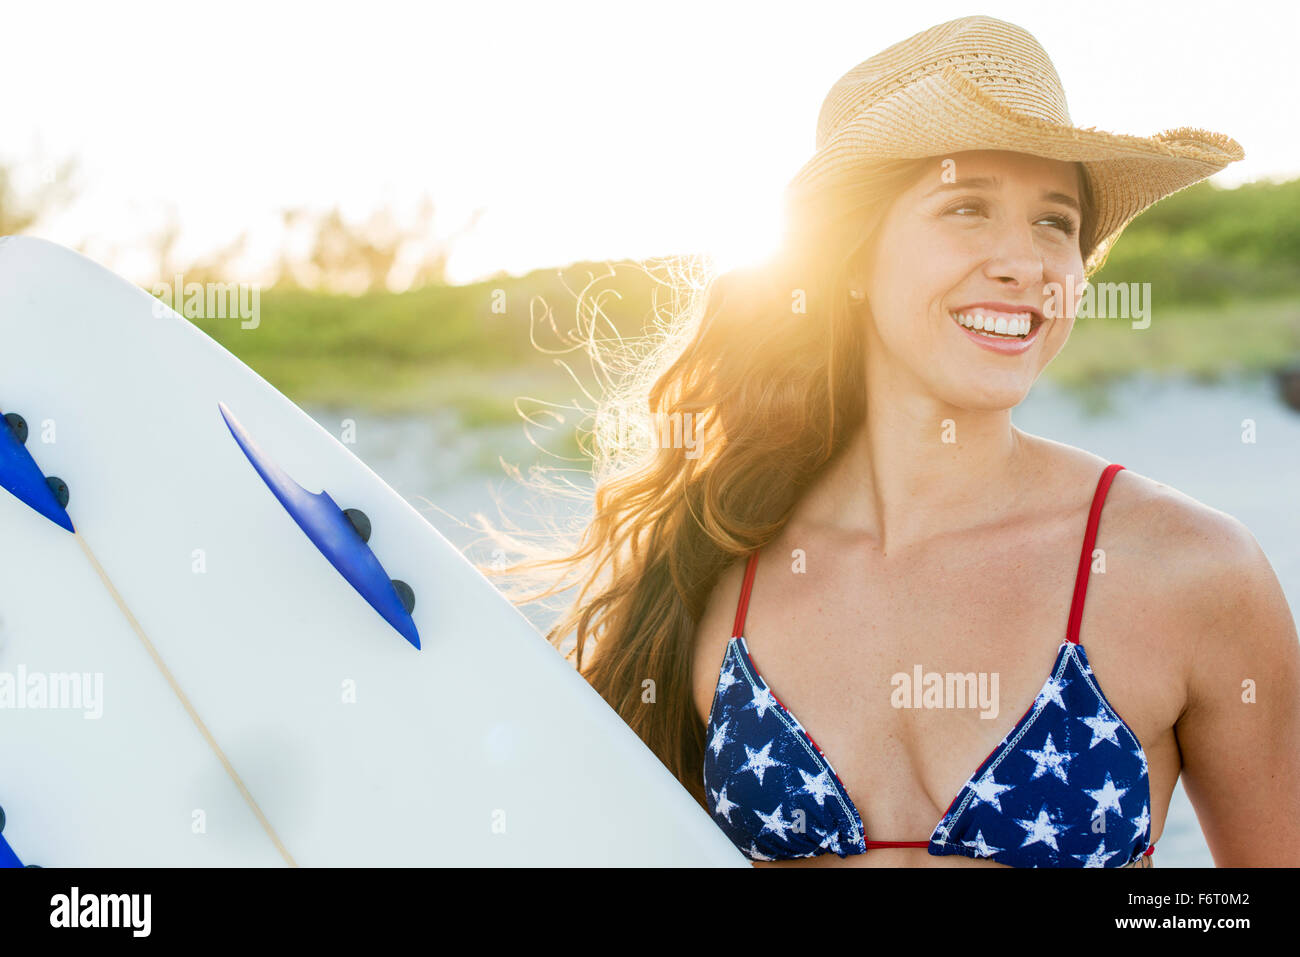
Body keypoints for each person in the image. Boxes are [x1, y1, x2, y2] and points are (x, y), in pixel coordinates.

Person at [479, 15, 1300, 867]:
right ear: (852, 259)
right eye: (967, 207)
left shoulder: (1191, 572)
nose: (1024, 262)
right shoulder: (718, 560)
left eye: (1056, 223)